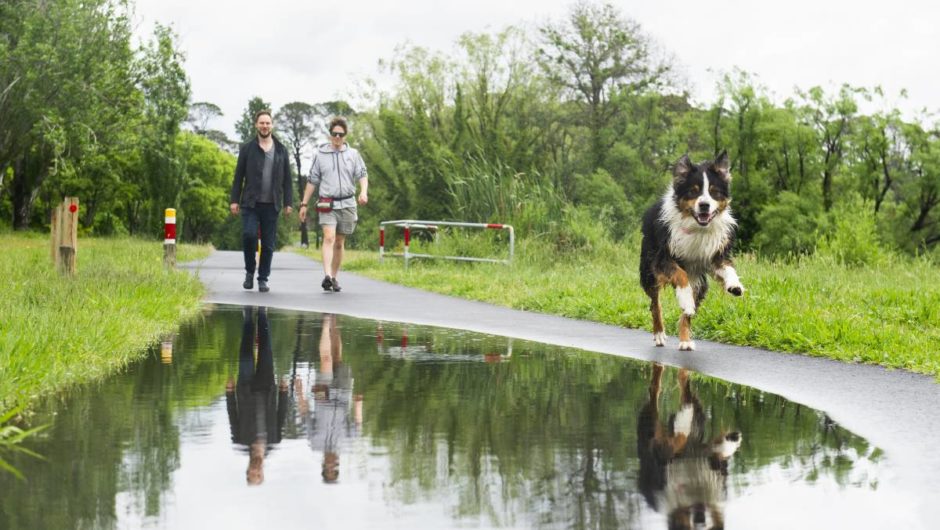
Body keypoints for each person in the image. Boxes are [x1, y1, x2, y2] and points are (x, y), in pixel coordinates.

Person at [299, 117, 368, 293]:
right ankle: (327, 276)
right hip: (327, 203)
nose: (337, 137)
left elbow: (362, 174)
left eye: (340, 134)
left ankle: (335, 277)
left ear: (345, 136)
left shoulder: (353, 154)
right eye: (334, 134)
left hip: (347, 203)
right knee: (328, 237)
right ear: (330, 135)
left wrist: (363, 191)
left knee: (339, 241)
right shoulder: (320, 155)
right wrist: (304, 203)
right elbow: (312, 180)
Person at [230, 109, 294, 293]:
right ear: (256, 125)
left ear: (272, 125)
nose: (265, 126)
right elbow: (238, 177)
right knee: (249, 236)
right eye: (262, 123)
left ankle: (263, 278)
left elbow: (287, 180)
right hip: (250, 203)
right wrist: (234, 200)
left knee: (268, 244)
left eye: (268, 123)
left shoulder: (281, 150)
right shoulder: (247, 149)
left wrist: (288, 202)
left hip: (271, 204)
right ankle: (250, 272)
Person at [295, 313, 363, 483]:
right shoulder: (346, 445)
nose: (332, 465)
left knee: (326, 360)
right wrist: (358, 405)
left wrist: (299, 391)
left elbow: (305, 416)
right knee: (338, 358)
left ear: (323, 466)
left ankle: (326, 322)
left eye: (329, 469)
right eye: (334, 469)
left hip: (321, 399)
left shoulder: (314, 444)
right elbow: (356, 426)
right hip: (342, 398)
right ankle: (334, 323)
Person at [225, 306, 290, 485]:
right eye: (258, 475)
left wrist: (229, 393)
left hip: (245, 389)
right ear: (262, 473)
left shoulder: (239, 441)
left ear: (247, 470)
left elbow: (233, 417)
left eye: (251, 474)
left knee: (246, 352)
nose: (255, 470)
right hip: (267, 387)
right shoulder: (274, 441)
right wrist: (284, 393)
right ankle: (262, 315)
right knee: (266, 347)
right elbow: (281, 415)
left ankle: (247, 318)